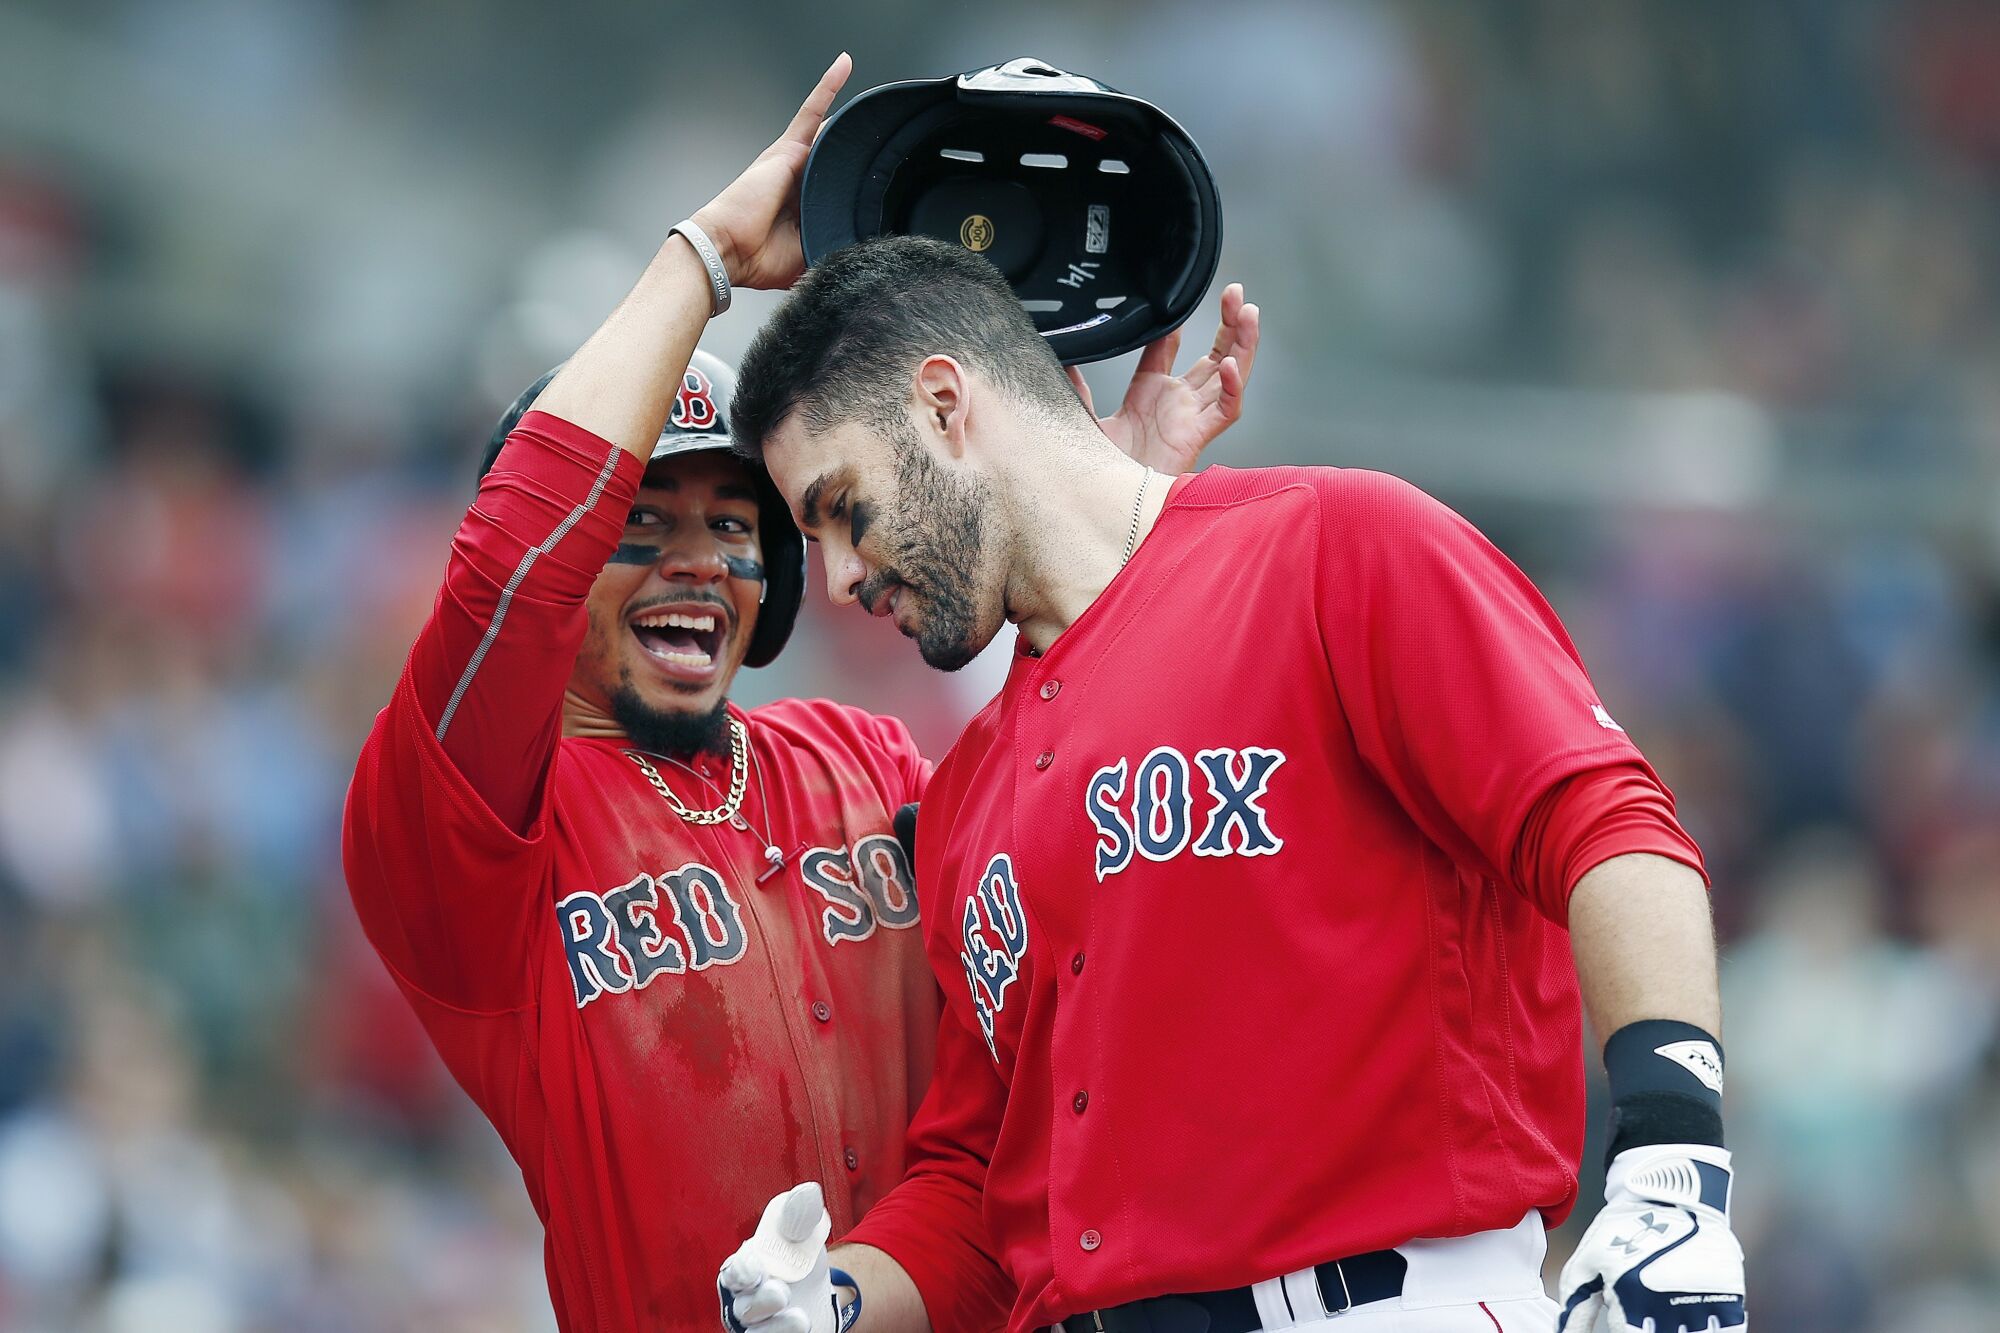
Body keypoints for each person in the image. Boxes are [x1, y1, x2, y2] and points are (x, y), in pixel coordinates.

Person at [340, 57, 1260, 1333]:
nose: (697, 561)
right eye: (640, 520)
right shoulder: (472, 832)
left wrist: (1099, 536)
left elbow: (1062, 829)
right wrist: (705, 259)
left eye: (732, 525)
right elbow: (506, 563)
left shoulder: (865, 758)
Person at [715, 233, 1748, 1333]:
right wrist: (830, 1300)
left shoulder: (1328, 544)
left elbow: (1605, 825)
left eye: (840, 506)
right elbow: (982, 1189)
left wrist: (1671, 1158)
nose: (839, 576)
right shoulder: (967, 793)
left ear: (939, 403)